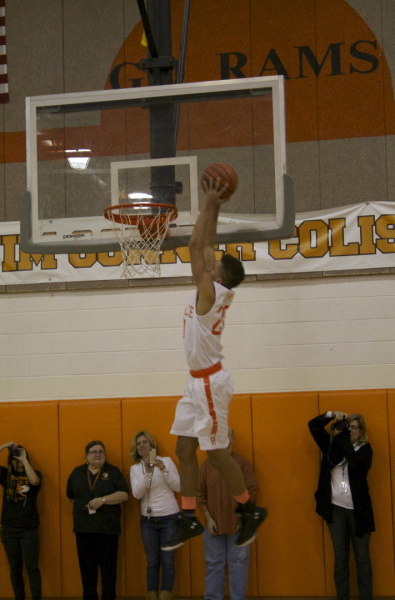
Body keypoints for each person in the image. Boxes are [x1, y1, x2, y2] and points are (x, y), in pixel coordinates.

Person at [162, 176, 267, 552]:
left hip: (210, 382)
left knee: (216, 452)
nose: (211, 260)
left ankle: (249, 509)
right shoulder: (215, 287)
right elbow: (207, 244)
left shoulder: (209, 292)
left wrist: (207, 200)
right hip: (196, 382)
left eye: (215, 263)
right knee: (185, 450)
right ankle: (189, 516)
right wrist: (219, 205)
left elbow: (194, 244)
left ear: (219, 275)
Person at [308, 411, 375, 600]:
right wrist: (331, 415)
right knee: (340, 559)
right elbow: (313, 425)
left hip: (358, 512)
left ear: (361, 431)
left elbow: (355, 465)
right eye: (348, 427)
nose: (350, 431)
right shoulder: (332, 447)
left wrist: (343, 438)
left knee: (362, 558)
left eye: (354, 428)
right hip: (336, 510)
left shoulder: (365, 449)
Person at [196, 428, 258, 600]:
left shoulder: (242, 464)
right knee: (214, 566)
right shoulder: (207, 466)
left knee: (239, 566)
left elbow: (252, 491)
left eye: (228, 436)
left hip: (239, 528)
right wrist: (208, 518)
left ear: (233, 438)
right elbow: (200, 495)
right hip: (213, 527)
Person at [66, 441, 129, 600]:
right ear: (86, 455)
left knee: (109, 572)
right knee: (87, 573)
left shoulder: (113, 471)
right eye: (93, 451)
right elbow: (71, 497)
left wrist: (103, 500)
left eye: (101, 451)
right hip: (83, 531)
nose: (98, 454)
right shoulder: (77, 473)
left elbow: (124, 495)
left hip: (108, 531)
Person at [129, 431, 181, 600]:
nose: (142, 445)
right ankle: (151, 595)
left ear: (152, 445)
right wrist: (147, 473)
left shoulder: (166, 461)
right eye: (139, 444)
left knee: (168, 561)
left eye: (145, 442)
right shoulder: (135, 469)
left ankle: (165, 596)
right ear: (136, 449)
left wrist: (164, 470)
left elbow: (178, 487)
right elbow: (137, 494)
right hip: (148, 521)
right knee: (152, 561)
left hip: (170, 518)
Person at [0, 441, 42, 600]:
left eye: (20, 454)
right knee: (15, 568)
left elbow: (34, 481)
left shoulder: (35, 473)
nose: (17, 458)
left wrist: (24, 460)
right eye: (15, 456)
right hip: (8, 529)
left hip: (29, 529)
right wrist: (4, 446)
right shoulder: (5, 474)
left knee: (32, 568)